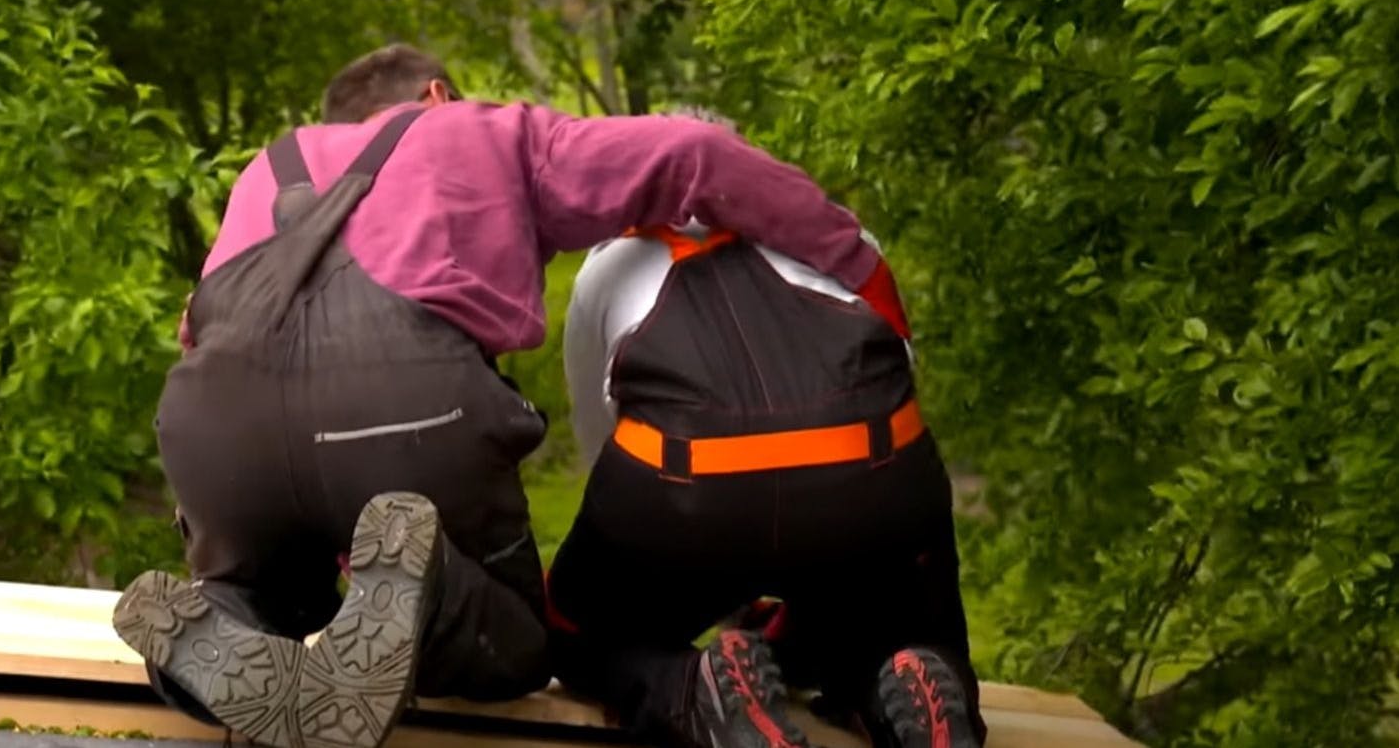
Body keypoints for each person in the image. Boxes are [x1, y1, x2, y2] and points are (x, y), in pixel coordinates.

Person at [111, 46, 905, 748]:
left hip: (214, 423)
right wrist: (855, 267)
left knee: (265, 590)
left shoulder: (268, 165)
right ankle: (426, 587)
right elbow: (693, 152)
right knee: (522, 644)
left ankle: (213, 623)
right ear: (436, 95)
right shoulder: (481, 130)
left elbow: (199, 326)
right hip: (405, 408)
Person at [545, 109, 987, 748]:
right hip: (868, 482)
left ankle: (690, 689)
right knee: (896, 617)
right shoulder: (839, 232)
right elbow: (898, 370)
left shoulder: (608, 262)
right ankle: (908, 675)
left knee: (578, 632)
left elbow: (599, 444)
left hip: (688, 493)